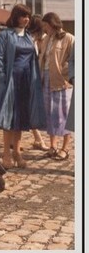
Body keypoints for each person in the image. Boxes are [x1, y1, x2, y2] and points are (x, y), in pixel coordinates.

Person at [0, 4, 46, 169]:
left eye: (28, 16)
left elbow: (34, 60)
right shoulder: (5, 35)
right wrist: (1, 78)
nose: (26, 19)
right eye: (23, 16)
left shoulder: (29, 37)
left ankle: (17, 152)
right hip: (11, 80)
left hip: (27, 81)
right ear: (16, 17)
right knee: (9, 117)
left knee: (20, 118)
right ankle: (6, 153)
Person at [39, 12, 74, 160]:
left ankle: (65, 148)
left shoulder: (69, 38)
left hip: (61, 82)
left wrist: (65, 74)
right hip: (46, 79)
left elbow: (74, 60)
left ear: (52, 24)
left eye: (46, 25)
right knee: (49, 114)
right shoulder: (46, 39)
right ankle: (53, 146)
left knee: (63, 115)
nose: (44, 28)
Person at [27, 14, 49, 151]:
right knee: (29, 109)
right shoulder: (29, 40)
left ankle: (38, 140)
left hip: (38, 79)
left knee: (33, 110)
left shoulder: (42, 40)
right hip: (30, 78)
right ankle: (38, 140)